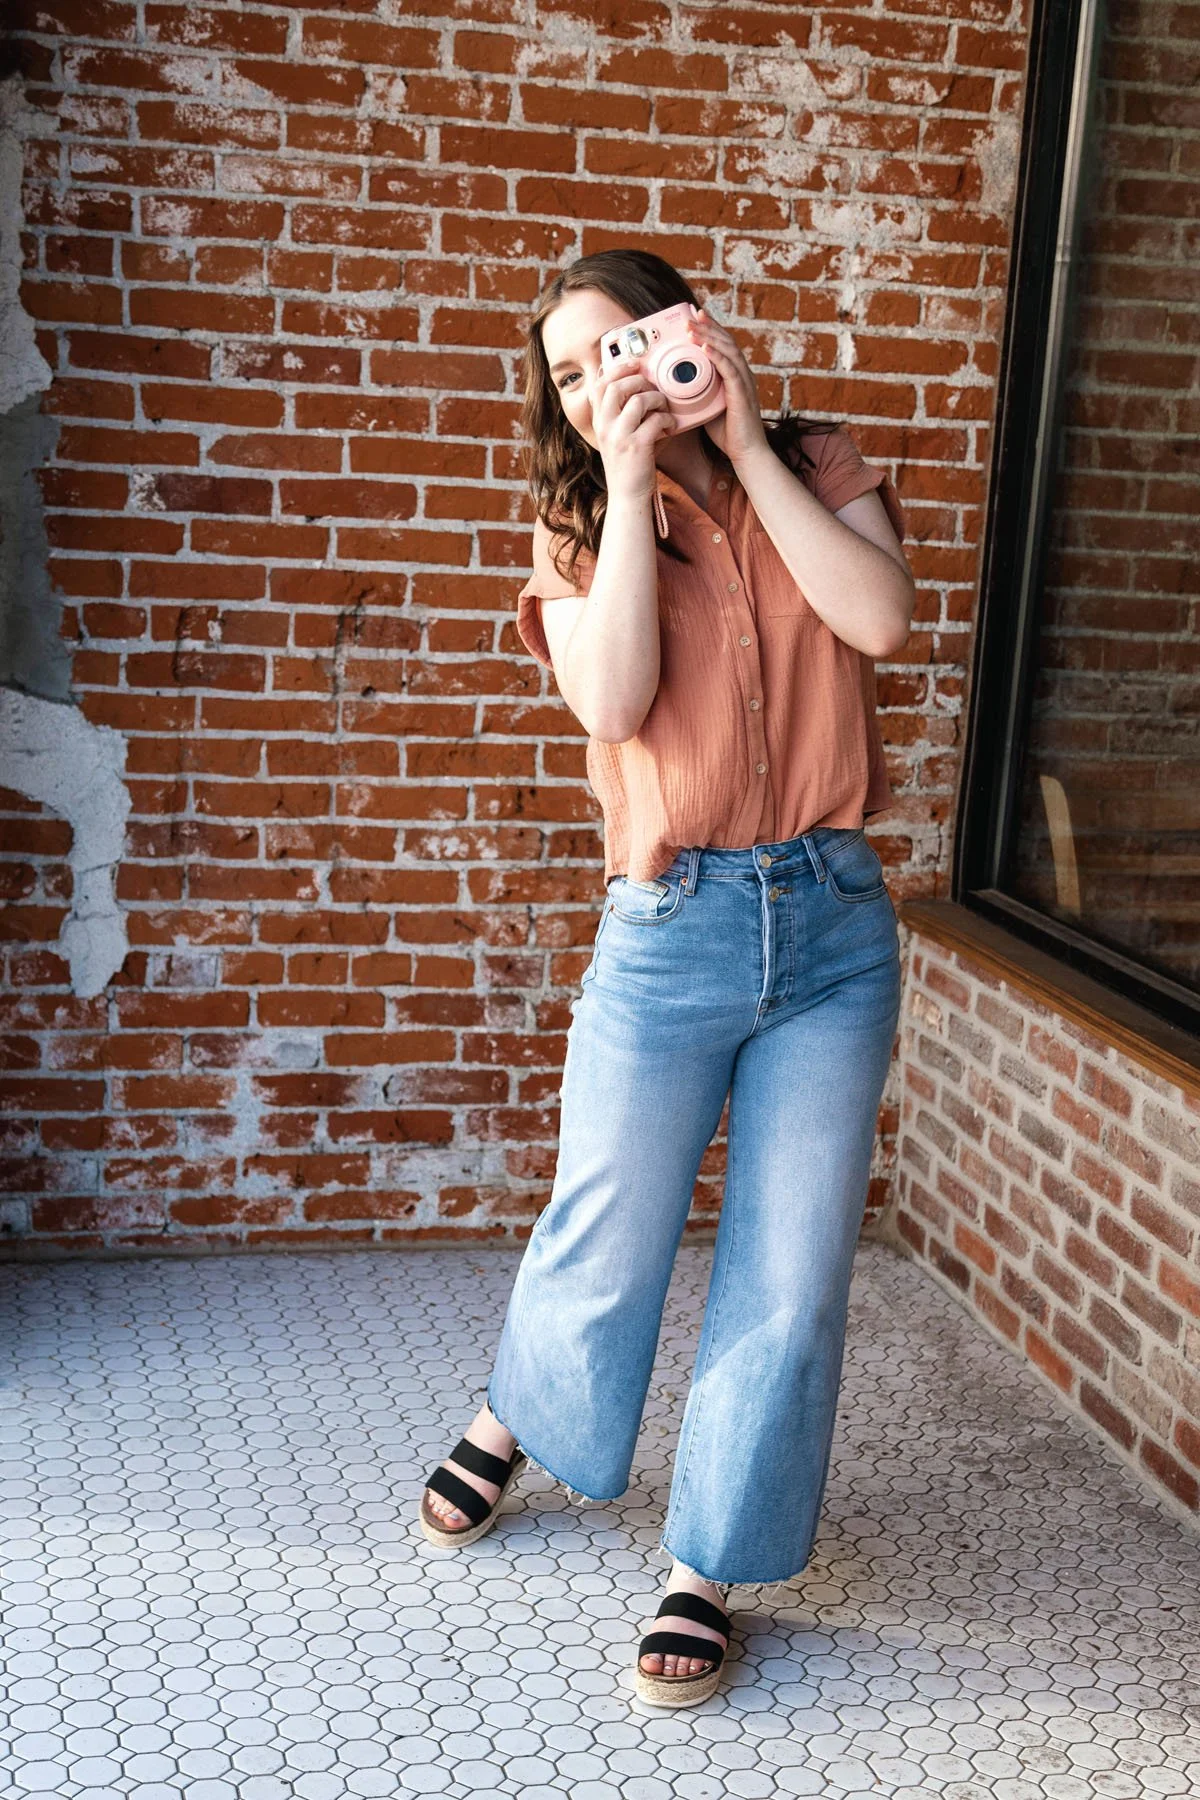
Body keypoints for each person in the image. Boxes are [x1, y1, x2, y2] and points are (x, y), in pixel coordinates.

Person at [418, 248, 914, 1708]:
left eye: (619, 350)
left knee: (791, 1264)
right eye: (569, 376)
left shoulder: (813, 457)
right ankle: (523, 1407)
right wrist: (632, 492)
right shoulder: (573, 524)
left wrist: (746, 440)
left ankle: (706, 1560)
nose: (598, 388)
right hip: (672, 921)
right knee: (611, 1220)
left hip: (833, 928)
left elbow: (878, 622)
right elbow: (616, 700)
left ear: (684, 333)